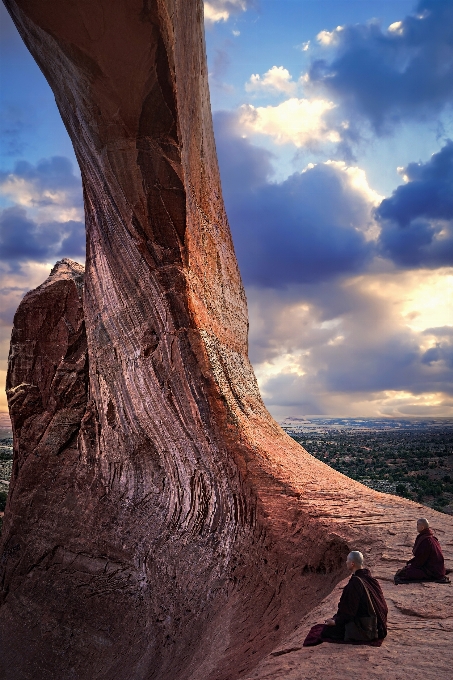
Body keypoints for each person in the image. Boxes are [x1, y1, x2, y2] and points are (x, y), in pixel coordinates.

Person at [320, 551, 388, 643]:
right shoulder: (371, 579)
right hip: (380, 626)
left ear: (352, 563)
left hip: (368, 628)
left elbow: (348, 612)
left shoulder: (355, 583)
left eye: (347, 560)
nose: (346, 562)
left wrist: (336, 622)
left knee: (326, 631)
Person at [394, 518, 449, 584]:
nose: (416, 527)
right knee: (407, 568)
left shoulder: (427, 541)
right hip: (437, 568)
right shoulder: (429, 537)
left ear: (422, 527)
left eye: (418, 525)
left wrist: (411, 566)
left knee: (407, 572)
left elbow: (421, 560)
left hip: (432, 571)